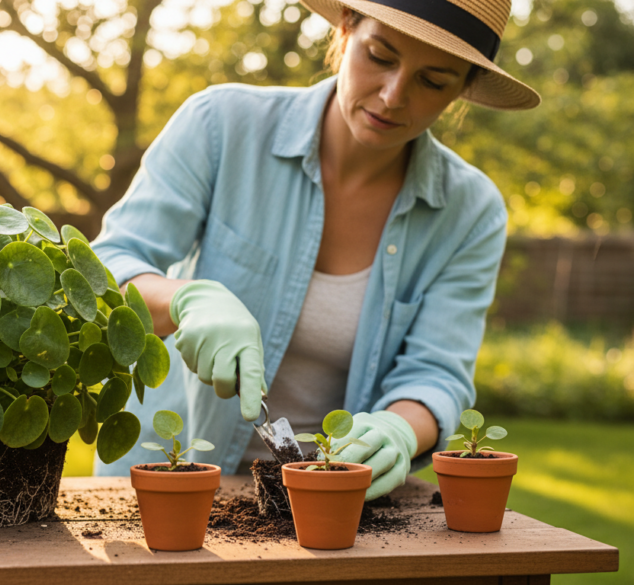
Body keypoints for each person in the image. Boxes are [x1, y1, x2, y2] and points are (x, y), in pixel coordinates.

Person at [89, 0, 540, 500]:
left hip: (339, 504)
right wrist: (183, 299)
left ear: (465, 87)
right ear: (346, 28)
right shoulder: (222, 126)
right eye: (380, 56)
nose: (393, 96)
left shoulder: (470, 211)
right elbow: (108, 268)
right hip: (169, 488)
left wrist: (400, 429)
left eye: (433, 81)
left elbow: (437, 373)